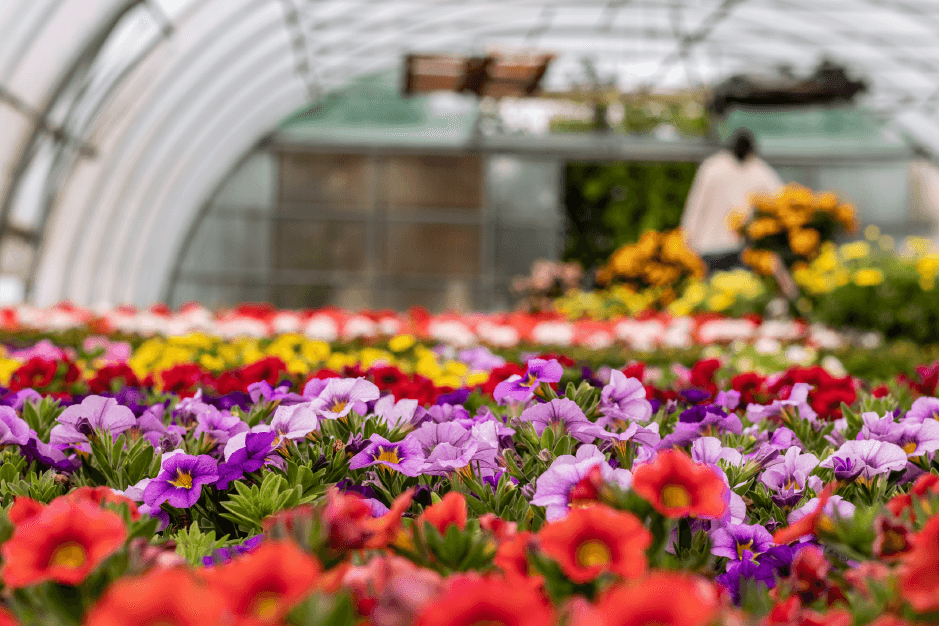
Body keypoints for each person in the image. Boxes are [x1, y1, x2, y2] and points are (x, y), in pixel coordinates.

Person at [680, 129, 783, 272]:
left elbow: (696, 206)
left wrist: (687, 239)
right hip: (741, 248)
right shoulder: (760, 171)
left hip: (710, 246)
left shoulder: (712, 167)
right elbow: (781, 202)